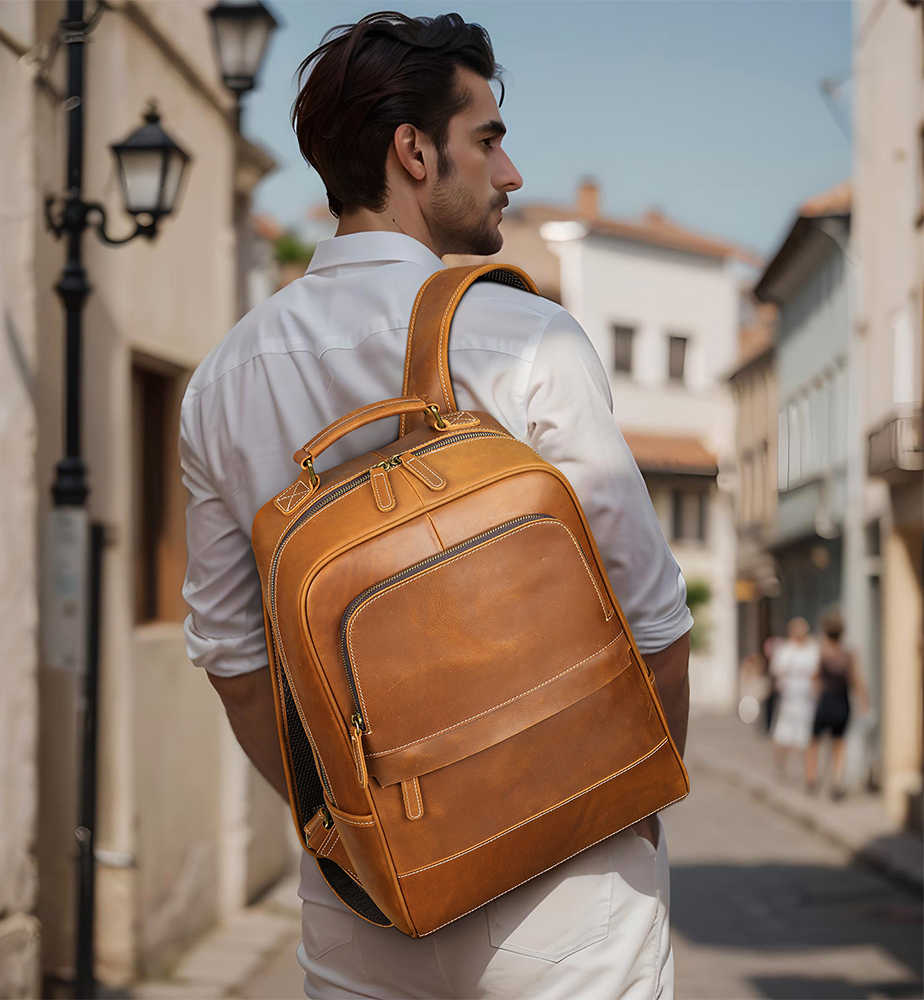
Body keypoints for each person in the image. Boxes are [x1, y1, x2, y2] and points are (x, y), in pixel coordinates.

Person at [180, 12, 693, 998]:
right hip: (562, 870)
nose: (510, 173)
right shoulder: (527, 337)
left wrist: (360, 832)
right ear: (413, 153)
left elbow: (238, 667)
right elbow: (653, 626)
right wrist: (626, 812)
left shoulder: (223, 380)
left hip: (365, 898)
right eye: (488, 140)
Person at [805, 612, 870, 798]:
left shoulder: (823, 652)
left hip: (825, 701)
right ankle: (836, 779)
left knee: (814, 742)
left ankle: (811, 778)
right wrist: (865, 704)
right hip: (842, 702)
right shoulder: (848, 655)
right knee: (839, 743)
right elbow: (857, 681)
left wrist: (813, 696)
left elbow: (815, 677)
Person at [769, 617, 819, 779]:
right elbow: (777, 670)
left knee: (805, 737)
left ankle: (806, 769)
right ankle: (779, 765)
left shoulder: (811, 649)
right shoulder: (785, 650)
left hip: (806, 699)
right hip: (789, 698)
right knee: (783, 735)